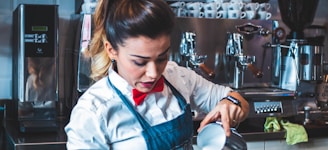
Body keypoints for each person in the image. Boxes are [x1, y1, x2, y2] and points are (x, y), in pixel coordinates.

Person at [65, 0, 249, 149]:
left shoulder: (176, 76)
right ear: (112, 50)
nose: (153, 74)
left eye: (162, 57)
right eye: (140, 62)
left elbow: (238, 99)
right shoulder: (92, 113)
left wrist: (231, 104)